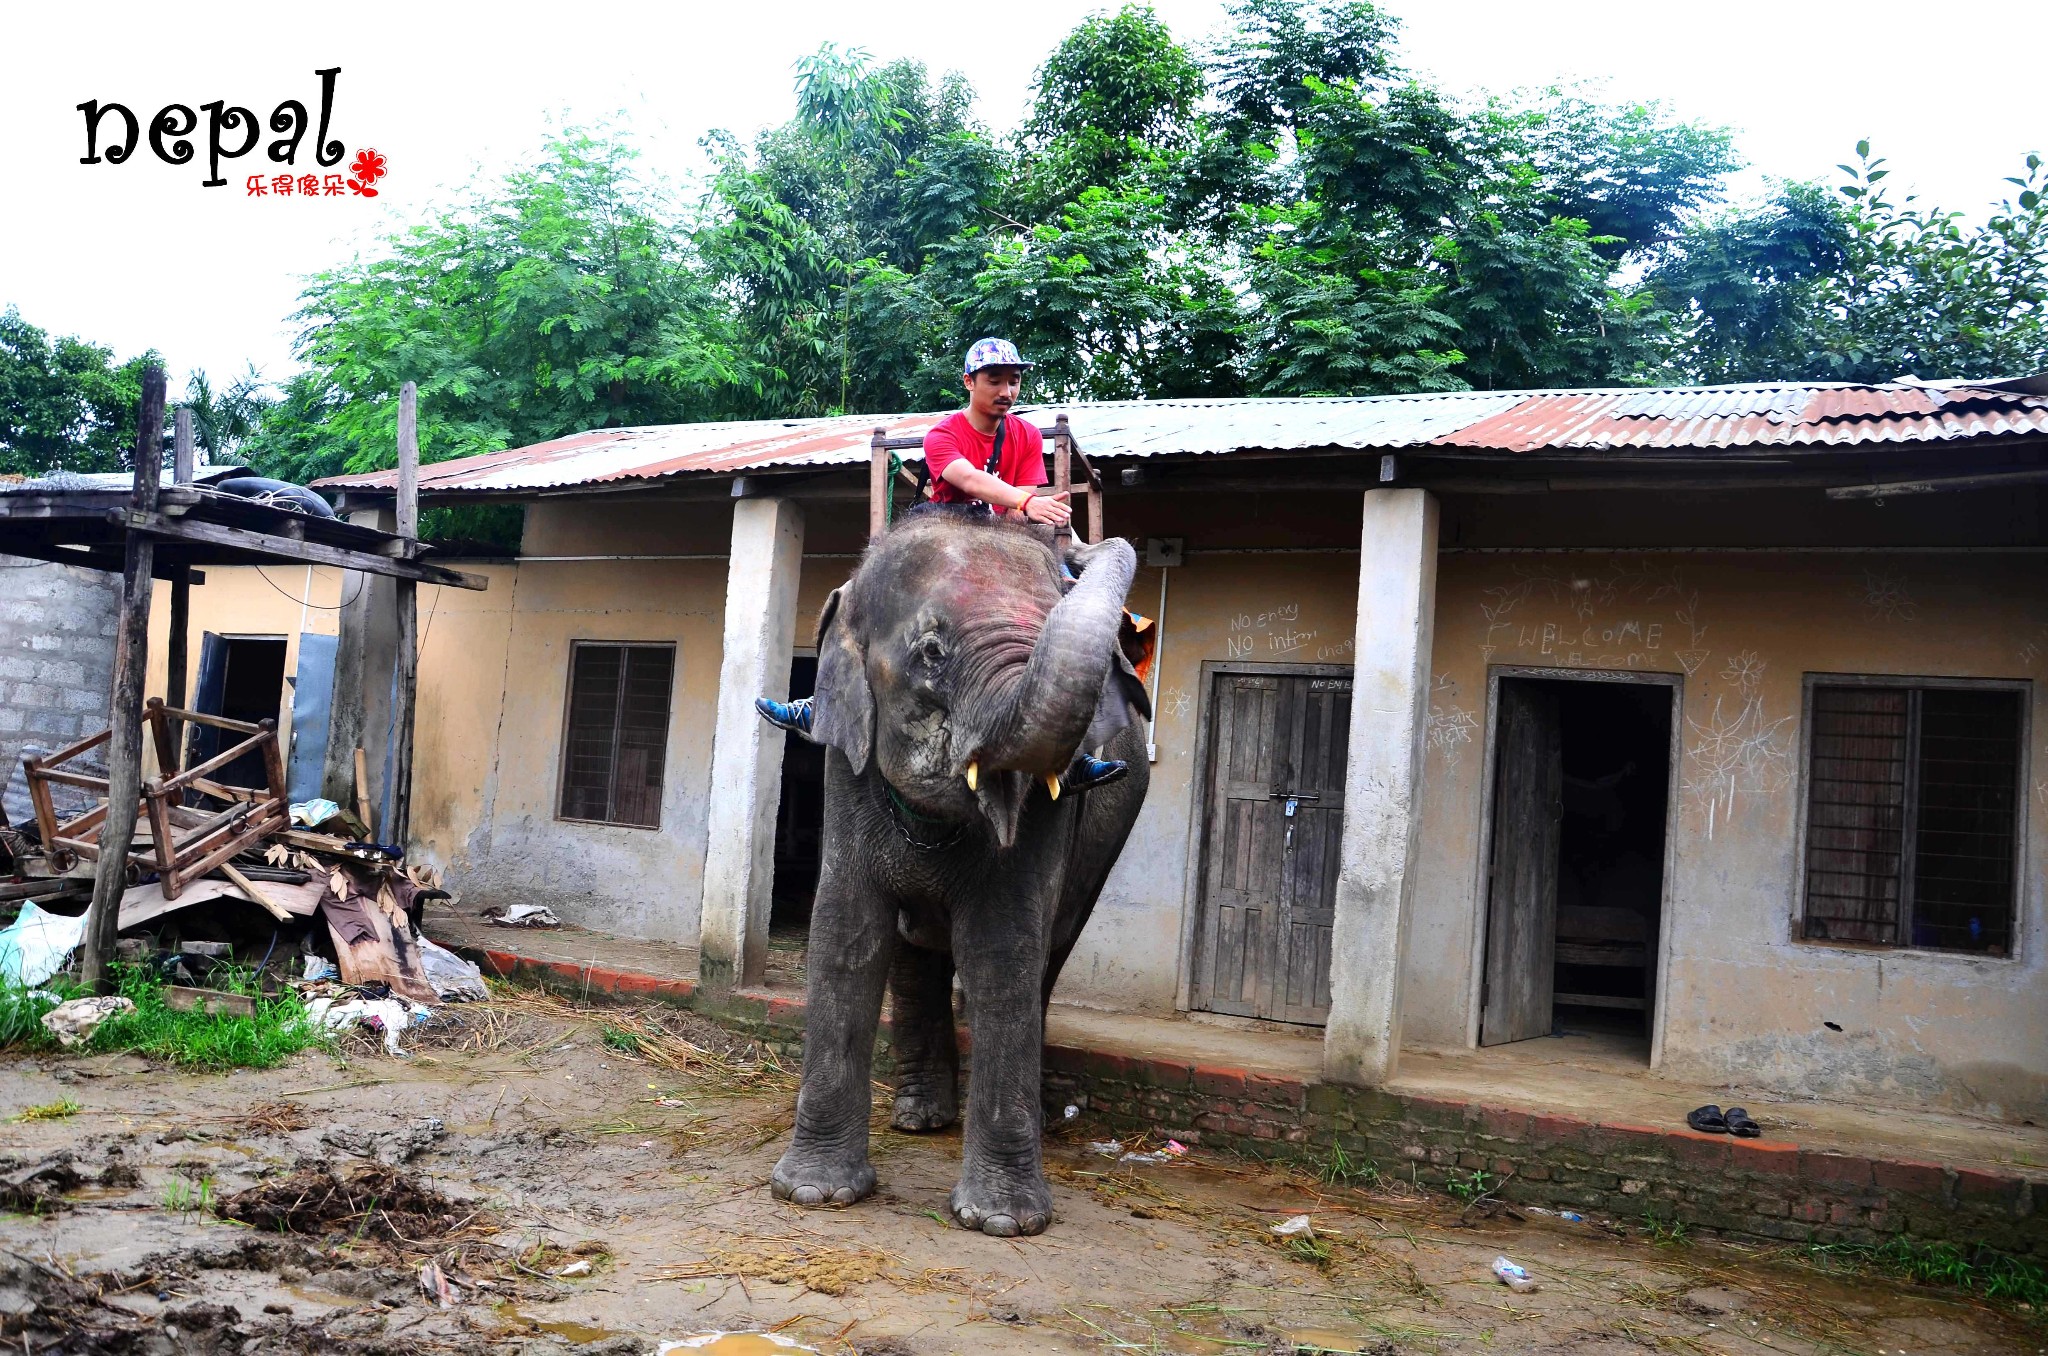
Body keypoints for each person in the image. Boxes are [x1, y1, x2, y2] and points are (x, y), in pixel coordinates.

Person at [756, 337, 1127, 793]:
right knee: (858, 592)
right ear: (969, 382)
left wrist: (1027, 532)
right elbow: (966, 478)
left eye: (1014, 381)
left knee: (1084, 609)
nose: (1007, 391)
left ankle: (1078, 750)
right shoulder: (943, 435)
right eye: (995, 380)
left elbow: (1021, 505)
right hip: (940, 538)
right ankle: (824, 702)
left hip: (1002, 541)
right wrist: (1028, 502)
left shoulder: (1026, 435)